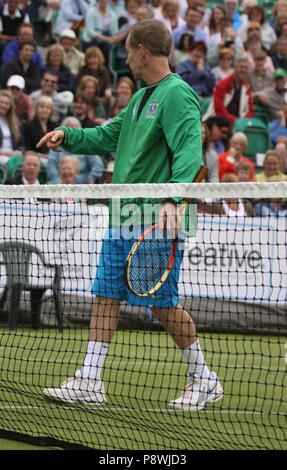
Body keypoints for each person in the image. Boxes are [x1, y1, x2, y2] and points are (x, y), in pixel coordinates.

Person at [38, 19, 223, 412]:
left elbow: (190, 153)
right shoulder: (139, 98)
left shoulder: (177, 95)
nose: (124, 58)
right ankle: (89, 379)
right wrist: (68, 136)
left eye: (127, 50)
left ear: (141, 49)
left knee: (162, 304)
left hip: (159, 216)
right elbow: (108, 135)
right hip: (123, 213)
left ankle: (204, 378)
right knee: (105, 296)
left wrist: (175, 201)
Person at [47, 116, 104, 184]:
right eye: (69, 131)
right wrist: (58, 182)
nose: (72, 134)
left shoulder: (85, 145)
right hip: (60, 184)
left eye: (75, 131)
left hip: (82, 185)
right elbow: (51, 165)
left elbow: (98, 165)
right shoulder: (56, 145)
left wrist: (90, 178)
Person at [0, 89, 22, 166]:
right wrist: (5, 153)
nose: (3, 105)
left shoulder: (15, 122)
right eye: (1, 102)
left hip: (13, 156)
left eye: (7, 103)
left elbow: (21, 145)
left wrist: (19, 151)